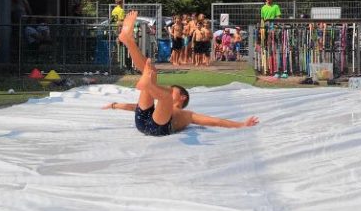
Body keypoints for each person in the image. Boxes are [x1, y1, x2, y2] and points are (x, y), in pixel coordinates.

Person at [104, 10, 259, 135]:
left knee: (162, 94)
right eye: (172, 89)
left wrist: (241, 124)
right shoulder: (162, 104)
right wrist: (114, 105)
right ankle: (129, 41)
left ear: (182, 98)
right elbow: (134, 107)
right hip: (144, 118)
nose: (170, 88)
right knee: (152, 71)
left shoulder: (188, 115)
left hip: (159, 127)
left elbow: (215, 121)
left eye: (173, 90)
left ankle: (148, 84)